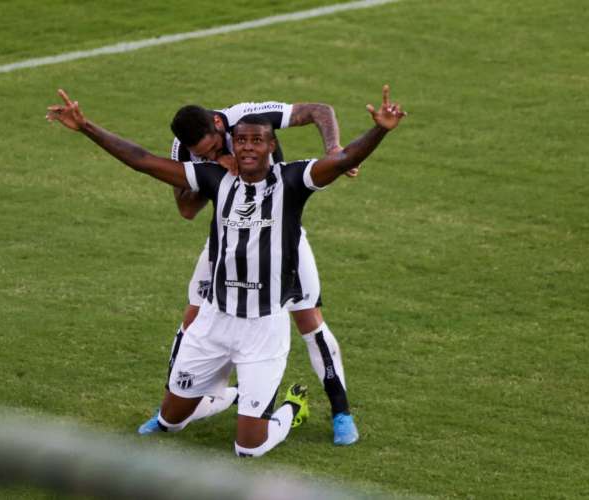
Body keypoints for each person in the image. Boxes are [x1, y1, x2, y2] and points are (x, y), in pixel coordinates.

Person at [46, 85, 405, 457]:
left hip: (269, 301)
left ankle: (320, 410)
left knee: (307, 324)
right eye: (242, 142)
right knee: (174, 407)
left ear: (269, 145)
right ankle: (210, 397)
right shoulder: (213, 177)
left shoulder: (293, 180)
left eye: (256, 141)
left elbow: (338, 151)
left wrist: (378, 131)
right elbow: (143, 162)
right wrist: (86, 127)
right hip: (220, 308)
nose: (245, 148)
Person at [144, 99, 361, 445]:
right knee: (194, 314)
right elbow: (186, 208)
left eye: (216, 146)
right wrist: (216, 168)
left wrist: (333, 149)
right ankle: (180, 406)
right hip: (228, 237)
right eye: (202, 153)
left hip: (280, 239)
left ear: (219, 124)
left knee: (308, 318)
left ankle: (341, 413)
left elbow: (319, 110)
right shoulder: (185, 149)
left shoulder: (247, 119)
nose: (214, 151)